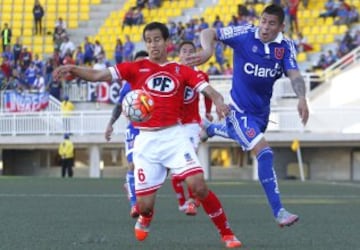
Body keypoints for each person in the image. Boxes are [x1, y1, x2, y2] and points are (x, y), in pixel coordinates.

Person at [53, 21, 241, 249]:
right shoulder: (135, 68)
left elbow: (207, 90)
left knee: (199, 186)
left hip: (175, 136)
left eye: (157, 40)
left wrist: (219, 101)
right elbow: (98, 75)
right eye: (149, 41)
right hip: (146, 141)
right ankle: (146, 215)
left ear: (167, 43)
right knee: (143, 206)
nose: (153, 45)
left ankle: (227, 234)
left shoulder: (180, 70)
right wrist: (74, 69)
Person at [185, 4, 309, 228]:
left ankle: (211, 129)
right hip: (237, 108)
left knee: (245, 136)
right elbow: (209, 32)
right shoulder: (244, 33)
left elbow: (295, 74)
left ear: (281, 26)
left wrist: (302, 97)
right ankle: (279, 211)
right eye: (263, 21)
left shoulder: (286, 46)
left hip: (261, 113)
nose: (265, 27)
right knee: (264, 151)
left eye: (272, 24)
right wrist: (208, 50)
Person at [170, 40, 213, 216]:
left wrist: (209, 112)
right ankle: (184, 201)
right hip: (173, 125)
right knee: (176, 168)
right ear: (179, 55)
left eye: (191, 51)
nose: (187, 54)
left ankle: (192, 201)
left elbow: (208, 94)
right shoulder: (172, 72)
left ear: (196, 55)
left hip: (192, 125)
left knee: (188, 164)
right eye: (184, 51)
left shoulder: (202, 75)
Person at [105, 50, 149, 219]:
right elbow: (119, 106)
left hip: (153, 130)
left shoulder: (155, 81)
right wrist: (110, 124)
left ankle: (132, 186)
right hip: (134, 130)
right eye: (137, 63)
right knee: (133, 166)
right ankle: (134, 204)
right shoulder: (128, 84)